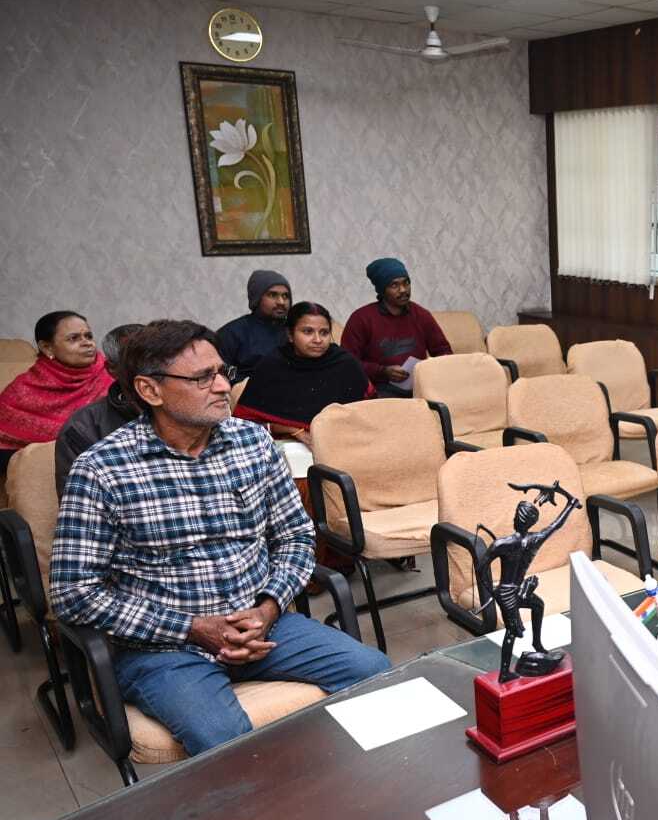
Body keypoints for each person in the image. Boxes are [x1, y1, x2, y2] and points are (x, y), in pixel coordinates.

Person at [48, 319, 390, 756]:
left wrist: (267, 608)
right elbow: (74, 593)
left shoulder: (253, 443)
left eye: (222, 372)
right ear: (150, 390)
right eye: (201, 378)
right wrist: (193, 628)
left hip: (263, 625)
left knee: (376, 672)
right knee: (224, 739)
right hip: (164, 648)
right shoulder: (102, 469)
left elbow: (296, 536)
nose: (223, 386)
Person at [233, 301, 373, 445]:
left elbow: (368, 418)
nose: (318, 340)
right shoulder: (273, 365)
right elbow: (242, 428)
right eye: (308, 332)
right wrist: (290, 429)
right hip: (283, 445)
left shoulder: (345, 364)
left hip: (340, 444)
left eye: (324, 333)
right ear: (290, 335)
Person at [0, 311, 112, 472]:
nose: (87, 343)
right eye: (74, 338)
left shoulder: (112, 374)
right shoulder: (23, 389)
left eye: (88, 336)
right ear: (47, 348)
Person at [54, 322, 144, 496]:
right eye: (138, 364)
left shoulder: (189, 411)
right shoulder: (82, 427)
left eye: (162, 360)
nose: (155, 371)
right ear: (112, 370)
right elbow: (80, 504)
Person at [340, 257, 451, 397]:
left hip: (419, 387)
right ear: (382, 290)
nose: (403, 290)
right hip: (380, 389)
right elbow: (347, 364)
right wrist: (383, 371)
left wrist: (430, 370)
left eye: (406, 283)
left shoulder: (421, 315)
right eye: (394, 285)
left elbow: (443, 351)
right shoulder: (361, 318)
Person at [217, 270, 291, 380]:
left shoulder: (294, 330)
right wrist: (243, 381)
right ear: (257, 298)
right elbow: (221, 368)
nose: (281, 302)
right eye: (273, 295)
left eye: (285, 296)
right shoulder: (232, 333)